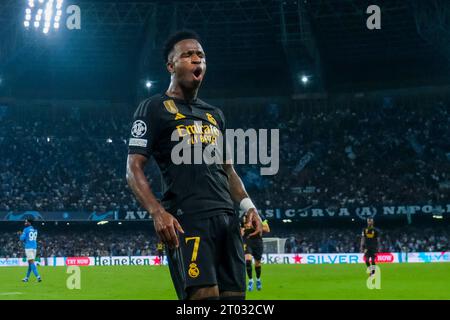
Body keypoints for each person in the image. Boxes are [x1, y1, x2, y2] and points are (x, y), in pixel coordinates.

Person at [126, 30, 263, 300]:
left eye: (200, 55)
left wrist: (248, 206)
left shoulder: (215, 114)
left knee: (234, 300)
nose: (196, 60)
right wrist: (157, 212)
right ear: (171, 65)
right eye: (187, 55)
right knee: (204, 298)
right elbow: (133, 169)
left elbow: (228, 170)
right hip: (189, 218)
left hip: (227, 220)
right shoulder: (153, 108)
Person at [241, 213, 270, 291]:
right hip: (247, 242)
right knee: (248, 261)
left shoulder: (260, 216)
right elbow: (241, 231)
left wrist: (255, 227)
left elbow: (267, 229)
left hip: (258, 243)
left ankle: (258, 279)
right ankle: (250, 280)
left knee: (257, 263)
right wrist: (243, 230)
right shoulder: (243, 217)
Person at [19, 218, 42, 282]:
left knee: (31, 263)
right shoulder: (35, 230)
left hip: (28, 248)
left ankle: (38, 277)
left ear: (29, 223)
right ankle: (26, 278)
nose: (25, 223)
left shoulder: (26, 229)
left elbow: (21, 239)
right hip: (34, 248)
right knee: (30, 264)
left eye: (26, 222)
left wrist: (20, 234)